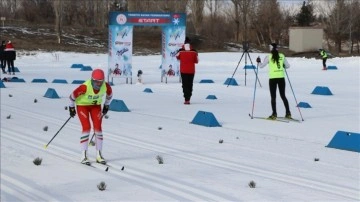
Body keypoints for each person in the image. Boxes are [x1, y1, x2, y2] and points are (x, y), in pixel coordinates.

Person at [69, 69, 113, 165]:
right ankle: (84, 156)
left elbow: (110, 95)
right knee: (87, 127)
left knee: (98, 128)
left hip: (95, 106)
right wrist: (71, 108)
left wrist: (106, 105)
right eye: (96, 81)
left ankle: (99, 155)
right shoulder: (84, 87)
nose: (98, 84)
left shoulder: (106, 86)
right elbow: (72, 96)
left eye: (101, 81)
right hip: (82, 106)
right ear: (92, 80)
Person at [257, 43, 291, 120]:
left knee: (273, 97)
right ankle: (288, 113)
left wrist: (258, 61)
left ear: (271, 48)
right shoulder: (282, 55)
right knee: (283, 96)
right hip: (281, 78)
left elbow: (261, 66)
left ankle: (274, 114)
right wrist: (283, 65)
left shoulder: (268, 57)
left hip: (273, 79)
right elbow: (288, 66)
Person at [176, 37, 198, 105]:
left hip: (183, 70)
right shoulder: (194, 51)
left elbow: (177, 57)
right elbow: (196, 61)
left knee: (185, 84)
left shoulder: (180, 51)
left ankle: (186, 99)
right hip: (191, 71)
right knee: (190, 84)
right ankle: (189, 96)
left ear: (184, 43)